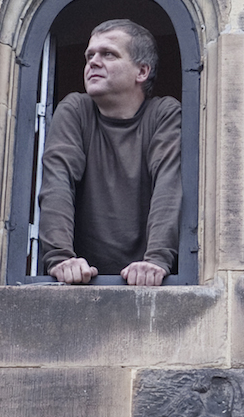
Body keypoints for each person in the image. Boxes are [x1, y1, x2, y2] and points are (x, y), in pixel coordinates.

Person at [38, 18, 181, 286]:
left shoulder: (163, 114)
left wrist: (157, 260)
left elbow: (169, 186)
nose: (93, 62)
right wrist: (59, 258)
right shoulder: (75, 109)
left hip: (151, 279)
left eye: (108, 54)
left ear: (142, 72)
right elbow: (57, 181)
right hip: (82, 278)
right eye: (89, 55)